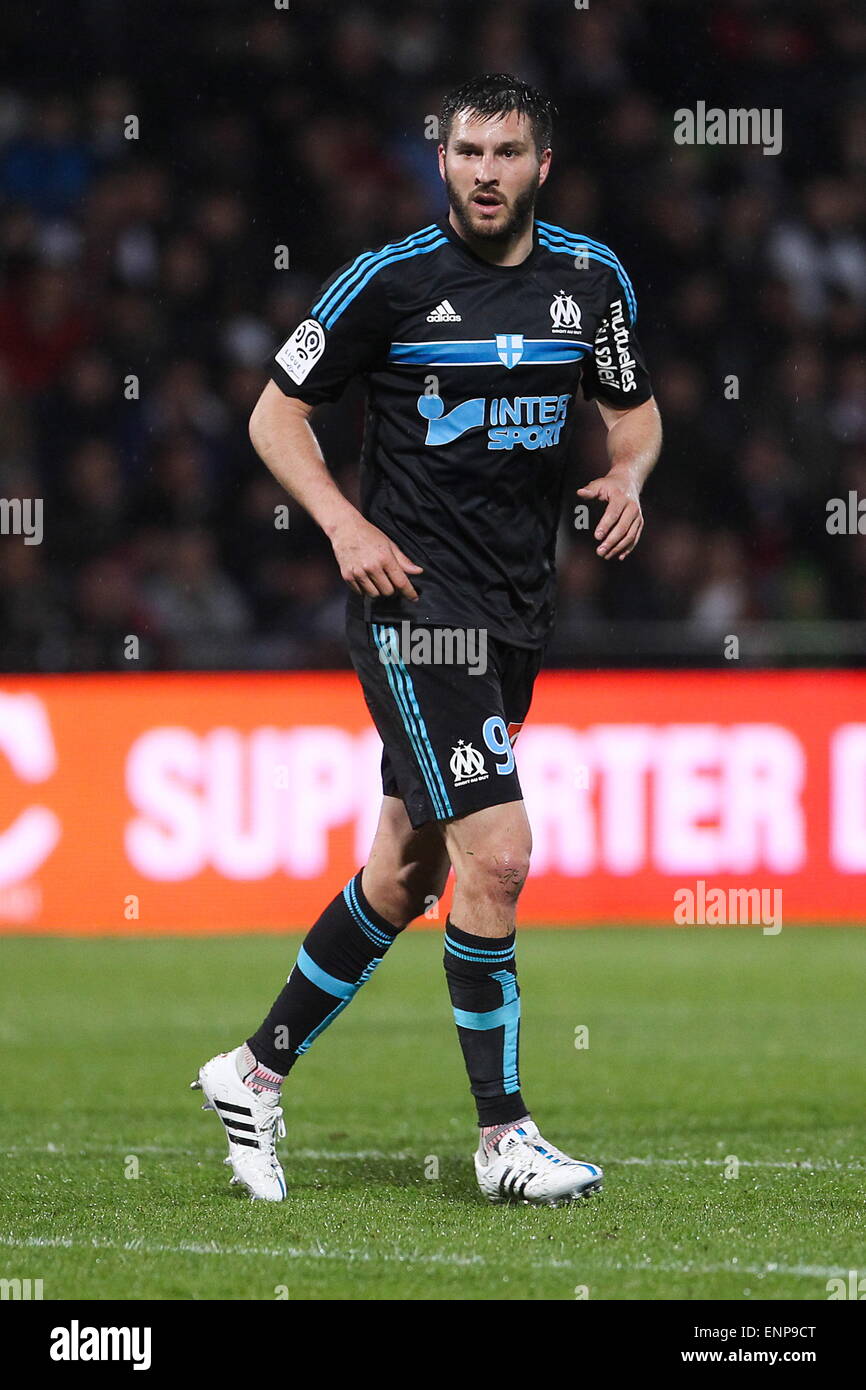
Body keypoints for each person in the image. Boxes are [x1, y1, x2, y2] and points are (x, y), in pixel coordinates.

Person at [192, 72, 662, 1205]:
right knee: (495, 856)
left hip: (515, 609)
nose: (485, 171)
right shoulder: (389, 283)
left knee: (403, 872)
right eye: (466, 152)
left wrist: (630, 476)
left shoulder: (590, 280)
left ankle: (252, 1069)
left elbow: (631, 409)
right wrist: (345, 524)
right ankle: (503, 1136)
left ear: (540, 165)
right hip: (414, 607)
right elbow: (273, 414)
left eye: (507, 152)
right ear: (438, 161)